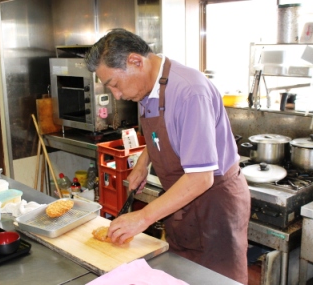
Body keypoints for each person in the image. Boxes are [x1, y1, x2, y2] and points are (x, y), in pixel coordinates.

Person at [84, 28, 251, 284]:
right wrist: (144, 160)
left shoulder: (189, 92)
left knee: (215, 279)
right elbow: (162, 134)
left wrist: (143, 217)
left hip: (213, 204)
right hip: (181, 201)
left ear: (136, 61)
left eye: (115, 85)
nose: (117, 95)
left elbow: (200, 178)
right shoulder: (147, 86)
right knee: (182, 276)